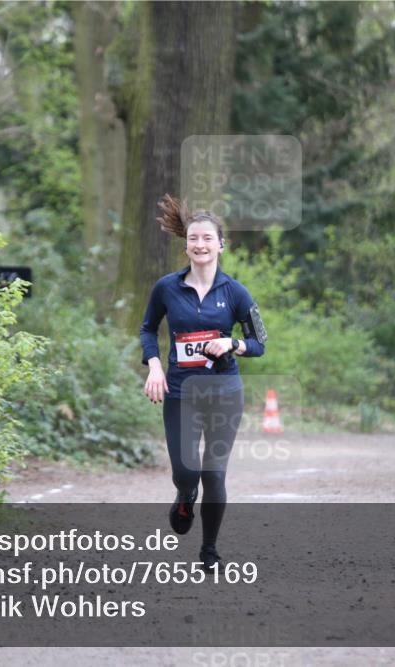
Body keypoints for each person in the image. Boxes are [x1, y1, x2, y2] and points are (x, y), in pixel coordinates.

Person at [139, 194, 266, 570]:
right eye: (194, 239)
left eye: (208, 239)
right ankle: (183, 492)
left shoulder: (236, 293)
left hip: (224, 390)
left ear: (220, 245)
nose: (200, 245)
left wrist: (234, 343)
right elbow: (148, 328)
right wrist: (154, 366)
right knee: (187, 471)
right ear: (186, 245)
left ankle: (209, 550)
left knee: (214, 473)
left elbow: (260, 342)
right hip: (180, 390)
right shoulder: (167, 288)